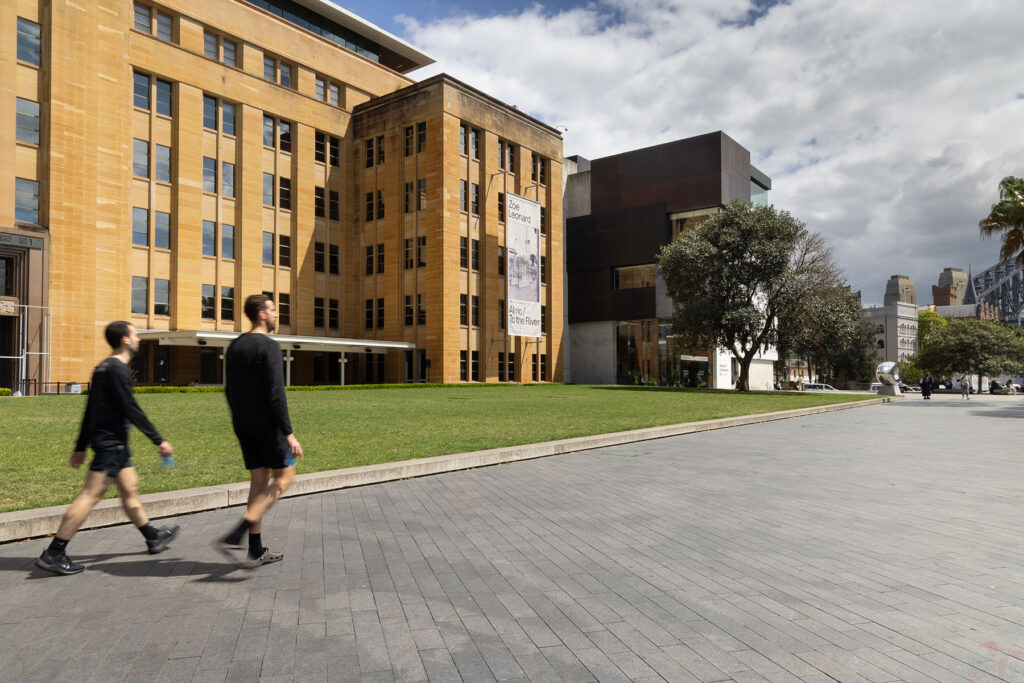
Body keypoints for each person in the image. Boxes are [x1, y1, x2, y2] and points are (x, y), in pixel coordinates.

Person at [36, 321, 179, 575]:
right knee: (90, 495)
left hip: (113, 444)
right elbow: (130, 409)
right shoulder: (118, 370)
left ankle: (152, 536)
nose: (137, 338)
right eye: (135, 334)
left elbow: (91, 408)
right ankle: (55, 552)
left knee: (130, 488)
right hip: (111, 444)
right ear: (125, 340)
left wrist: (80, 446)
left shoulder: (102, 367)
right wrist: (159, 440)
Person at [214, 295, 303, 568]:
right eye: (274, 311)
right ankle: (238, 532)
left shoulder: (236, 346)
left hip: (243, 424)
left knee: (259, 480)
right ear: (262, 315)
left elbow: (229, 390)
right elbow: (276, 394)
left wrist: (240, 419)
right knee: (286, 477)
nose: (276, 315)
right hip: (267, 426)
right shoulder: (268, 346)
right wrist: (288, 433)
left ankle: (255, 548)